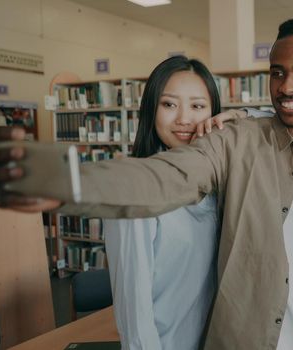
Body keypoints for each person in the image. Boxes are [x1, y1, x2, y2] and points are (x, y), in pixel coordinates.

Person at [0, 17, 293, 349]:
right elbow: (163, 177)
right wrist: (64, 181)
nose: (286, 86)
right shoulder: (238, 141)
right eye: (277, 72)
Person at [103, 55, 220, 350]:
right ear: (151, 110)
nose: (184, 118)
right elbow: (134, 311)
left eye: (198, 106)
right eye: (169, 104)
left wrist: (238, 117)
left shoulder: (219, 184)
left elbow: (275, 126)